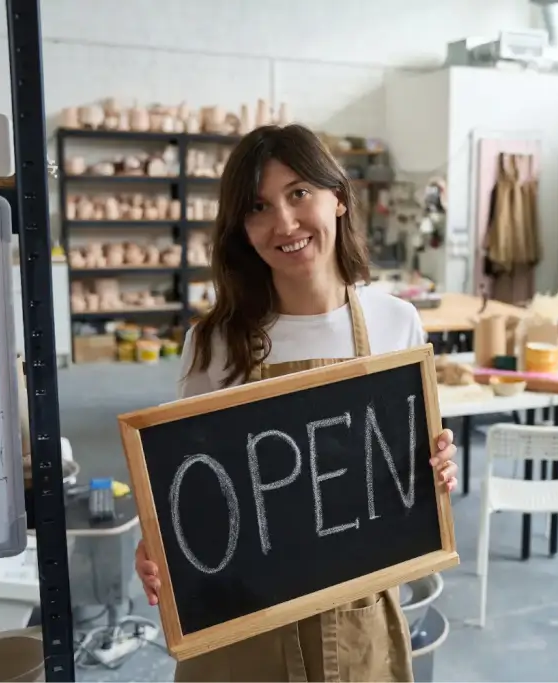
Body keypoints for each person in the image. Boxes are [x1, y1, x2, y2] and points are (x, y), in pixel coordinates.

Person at [133, 124, 459, 682]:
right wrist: (159, 540)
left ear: (338, 198)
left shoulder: (395, 322)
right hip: (243, 626)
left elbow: (405, 469)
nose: (283, 223)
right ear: (242, 228)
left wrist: (438, 468)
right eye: (259, 206)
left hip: (355, 617)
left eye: (299, 193)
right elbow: (189, 488)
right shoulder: (214, 343)